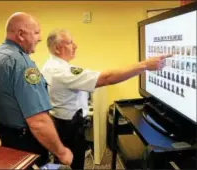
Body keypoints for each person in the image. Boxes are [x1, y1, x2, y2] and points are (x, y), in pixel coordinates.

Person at [41, 29, 171, 169]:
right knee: (72, 165)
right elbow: (107, 78)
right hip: (69, 129)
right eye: (70, 42)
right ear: (57, 48)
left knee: (65, 164)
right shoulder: (61, 71)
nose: (75, 46)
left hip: (62, 124)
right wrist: (144, 65)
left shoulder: (52, 66)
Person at [0, 13, 73, 166]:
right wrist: (62, 152)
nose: (40, 38)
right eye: (36, 32)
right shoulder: (22, 65)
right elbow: (38, 122)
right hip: (25, 142)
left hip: (2, 136)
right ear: (21, 34)